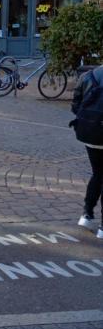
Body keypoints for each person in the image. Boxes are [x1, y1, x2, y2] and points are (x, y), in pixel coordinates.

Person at [71, 65, 103, 238]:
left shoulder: (88, 75)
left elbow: (75, 106)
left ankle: (87, 214)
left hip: (88, 134)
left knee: (97, 174)